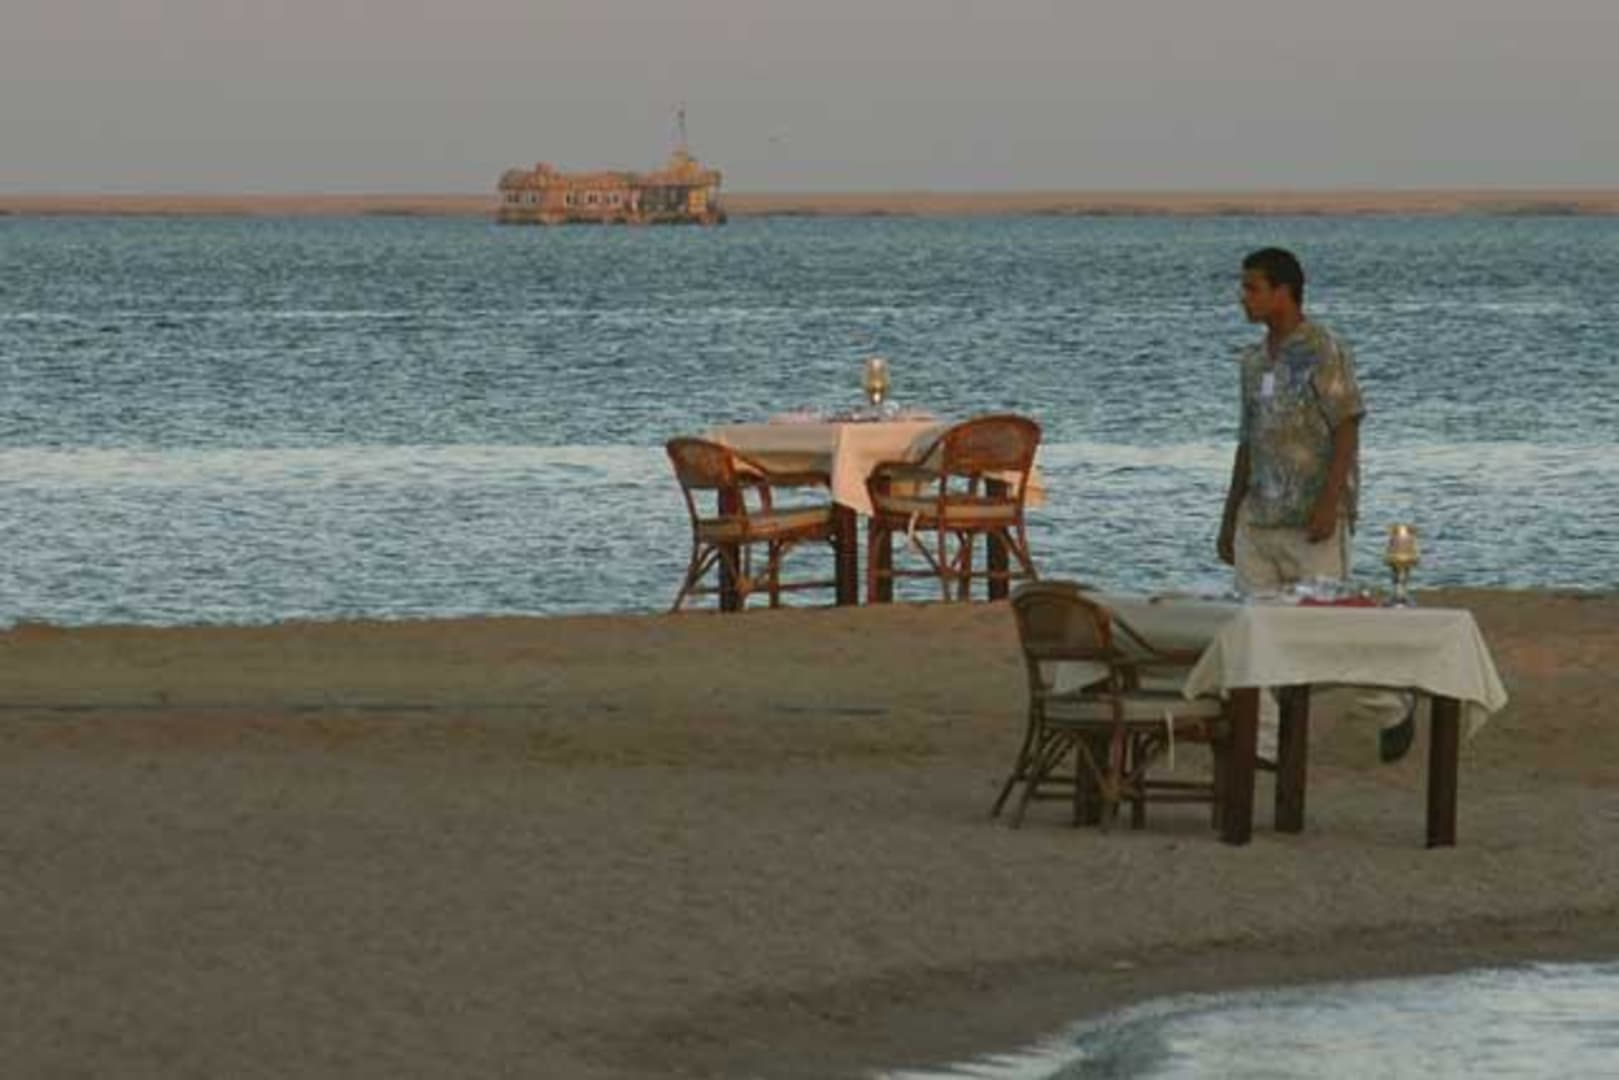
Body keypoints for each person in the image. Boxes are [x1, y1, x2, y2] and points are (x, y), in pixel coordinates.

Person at [1217, 247, 1416, 762]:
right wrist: (1228, 516)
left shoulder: (1323, 348)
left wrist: (1330, 502)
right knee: (1254, 632)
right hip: (1259, 519)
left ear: (1283, 292)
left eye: (1253, 287)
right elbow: (1247, 441)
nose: (1243, 297)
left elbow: (1347, 425)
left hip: (1313, 521)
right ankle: (1265, 746)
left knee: (1328, 634)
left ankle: (1390, 699)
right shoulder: (1252, 361)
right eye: (1243, 287)